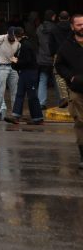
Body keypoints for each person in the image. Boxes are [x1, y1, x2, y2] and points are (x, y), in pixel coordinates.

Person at [54, 13, 83, 169]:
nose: (82, 27)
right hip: (78, 91)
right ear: (72, 27)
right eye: (79, 25)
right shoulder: (66, 46)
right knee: (81, 123)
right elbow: (59, 65)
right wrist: (70, 77)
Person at [5, 30, 44, 125]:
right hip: (25, 72)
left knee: (32, 96)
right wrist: (16, 62)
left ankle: (38, 118)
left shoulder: (26, 45)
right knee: (20, 94)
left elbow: (27, 61)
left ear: (16, 36)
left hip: (29, 72)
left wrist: (16, 62)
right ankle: (16, 116)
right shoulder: (23, 44)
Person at [0, 27, 23, 120]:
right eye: (11, 36)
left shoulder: (18, 41)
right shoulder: (1, 38)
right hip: (1, 66)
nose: (12, 38)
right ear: (8, 34)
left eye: (14, 36)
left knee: (15, 91)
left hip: (12, 66)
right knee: (1, 90)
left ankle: (15, 112)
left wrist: (16, 59)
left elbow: (18, 51)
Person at [36, 10, 60, 109]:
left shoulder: (39, 28)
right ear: (52, 17)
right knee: (57, 81)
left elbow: (38, 42)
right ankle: (61, 102)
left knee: (42, 80)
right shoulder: (56, 28)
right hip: (54, 58)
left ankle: (41, 103)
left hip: (42, 57)